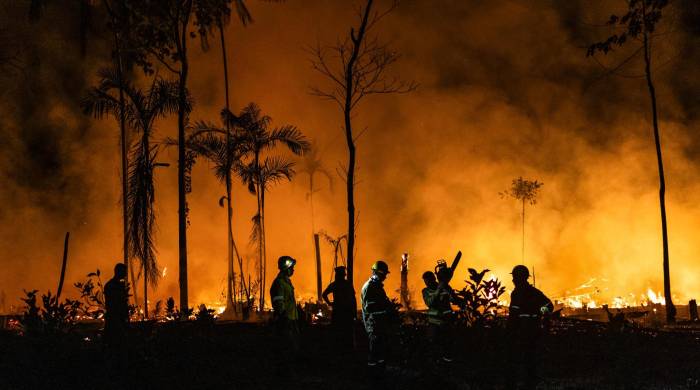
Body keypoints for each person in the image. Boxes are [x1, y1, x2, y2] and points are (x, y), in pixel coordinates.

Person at [506, 265, 553, 390]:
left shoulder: (516, 294)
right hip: (534, 332)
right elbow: (549, 306)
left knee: (515, 362)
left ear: (519, 278)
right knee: (530, 361)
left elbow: (513, 316)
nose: (513, 280)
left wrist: (508, 333)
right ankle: (530, 384)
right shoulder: (535, 293)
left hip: (521, 333)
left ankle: (515, 384)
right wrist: (541, 311)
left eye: (514, 277)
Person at [422, 268, 461, 363]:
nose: (427, 283)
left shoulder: (445, 287)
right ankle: (434, 364)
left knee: (447, 345)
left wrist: (459, 299)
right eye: (426, 281)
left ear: (434, 278)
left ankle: (447, 365)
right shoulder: (425, 291)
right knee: (432, 345)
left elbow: (454, 299)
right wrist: (439, 290)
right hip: (433, 324)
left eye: (428, 280)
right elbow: (429, 303)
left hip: (445, 322)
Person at [360, 260, 393, 369]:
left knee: (380, 348)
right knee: (374, 347)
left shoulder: (377, 286)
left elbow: (381, 301)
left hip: (378, 322)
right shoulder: (370, 287)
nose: (385, 277)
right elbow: (369, 308)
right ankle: (373, 371)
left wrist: (389, 305)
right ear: (376, 273)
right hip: (373, 323)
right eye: (383, 274)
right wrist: (386, 309)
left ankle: (380, 368)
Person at [322, 266, 357, 350]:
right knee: (347, 332)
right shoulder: (347, 284)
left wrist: (329, 303)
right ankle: (347, 350)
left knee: (339, 332)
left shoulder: (335, 284)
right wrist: (354, 312)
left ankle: (339, 349)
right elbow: (353, 299)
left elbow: (324, 294)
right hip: (346, 312)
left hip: (339, 312)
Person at [270, 256, 300, 353]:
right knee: (288, 347)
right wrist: (284, 317)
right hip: (285, 321)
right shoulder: (279, 283)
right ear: (285, 268)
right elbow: (278, 303)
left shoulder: (286, 282)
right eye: (291, 268)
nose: (293, 270)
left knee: (295, 345)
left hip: (292, 319)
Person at [103, 263, 129, 367]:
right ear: (119, 272)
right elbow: (115, 304)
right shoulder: (113, 286)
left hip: (116, 319)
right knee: (115, 347)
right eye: (124, 272)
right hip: (115, 320)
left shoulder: (113, 285)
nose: (125, 274)